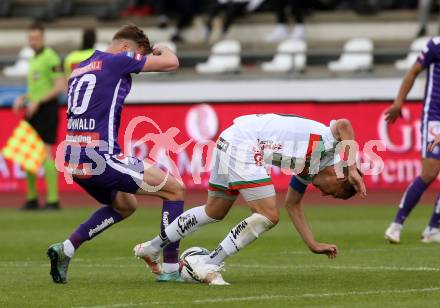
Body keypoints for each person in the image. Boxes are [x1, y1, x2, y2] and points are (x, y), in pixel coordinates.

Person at [134, 113, 366, 285]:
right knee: (268, 215)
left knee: (214, 210)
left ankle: (152, 247)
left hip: (231, 138)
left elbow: (293, 204)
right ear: (340, 178)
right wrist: (352, 166)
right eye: (332, 192)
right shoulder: (329, 149)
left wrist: (312, 244)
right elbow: (345, 124)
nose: (324, 194)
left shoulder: (311, 171)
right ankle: (209, 263)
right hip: (245, 143)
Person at [47, 24, 185, 284]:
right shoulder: (118, 60)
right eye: (137, 56)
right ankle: (170, 268)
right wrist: (162, 48)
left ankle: (66, 248)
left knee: (125, 205)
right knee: (174, 189)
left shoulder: (80, 67)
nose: (137, 64)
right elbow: (171, 62)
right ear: (125, 48)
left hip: (74, 161)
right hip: (101, 158)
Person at [384, 36, 440, 244]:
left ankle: (433, 229)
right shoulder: (435, 44)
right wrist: (399, 102)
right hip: (434, 116)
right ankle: (396, 225)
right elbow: (413, 71)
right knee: (430, 171)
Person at [12, 22, 66, 211]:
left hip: (47, 109)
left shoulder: (50, 57)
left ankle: (53, 201)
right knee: (28, 154)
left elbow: (60, 86)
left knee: (44, 153)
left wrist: (39, 102)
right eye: (30, 39)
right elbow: (37, 86)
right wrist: (25, 97)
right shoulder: (33, 59)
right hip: (33, 109)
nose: (33, 41)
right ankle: (32, 199)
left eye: (36, 38)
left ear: (42, 38)